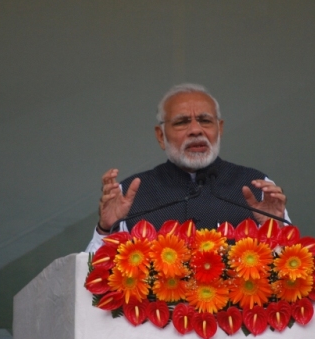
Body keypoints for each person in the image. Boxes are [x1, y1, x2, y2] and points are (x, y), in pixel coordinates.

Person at [87, 84, 288, 252]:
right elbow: (94, 280)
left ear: (220, 129)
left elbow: (295, 272)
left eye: (205, 121)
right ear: (160, 136)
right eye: (182, 122)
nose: (195, 130)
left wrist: (276, 229)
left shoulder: (258, 187)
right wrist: (106, 229)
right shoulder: (130, 193)